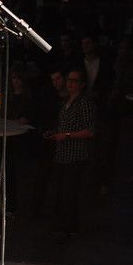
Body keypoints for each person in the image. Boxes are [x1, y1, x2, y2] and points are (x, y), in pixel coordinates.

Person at [44, 69, 96, 240]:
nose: (70, 84)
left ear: (81, 84)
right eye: (69, 80)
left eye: (74, 81)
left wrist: (66, 135)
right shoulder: (66, 101)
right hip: (62, 154)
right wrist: (54, 133)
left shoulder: (84, 103)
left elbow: (90, 131)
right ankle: (61, 224)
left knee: (69, 192)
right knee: (60, 191)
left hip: (75, 155)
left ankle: (70, 227)